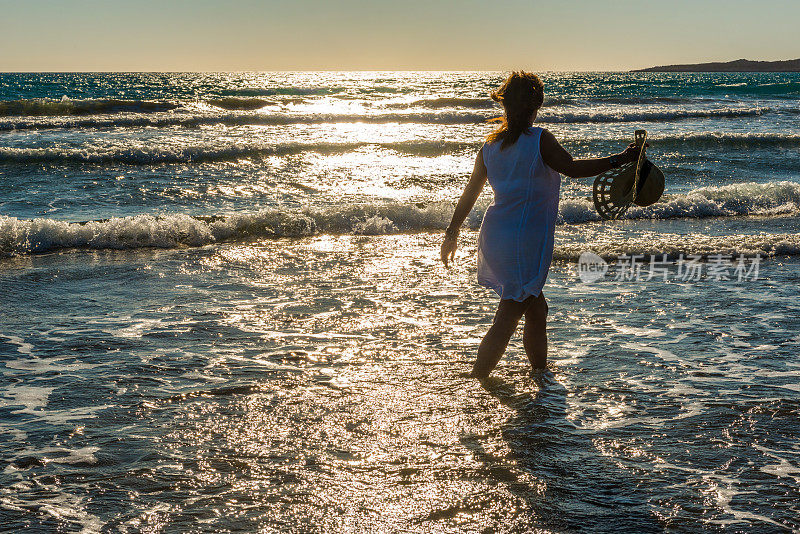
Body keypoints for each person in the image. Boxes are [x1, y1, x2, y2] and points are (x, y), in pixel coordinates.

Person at [440, 71, 641, 378]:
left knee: (536, 307)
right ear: (534, 107)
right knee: (507, 316)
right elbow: (572, 168)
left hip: (497, 237)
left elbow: (470, 193)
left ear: (506, 107)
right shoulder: (538, 140)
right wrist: (621, 159)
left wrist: (451, 234)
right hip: (522, 243)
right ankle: (477, 380)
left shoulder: (489, 148)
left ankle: (539, 373)